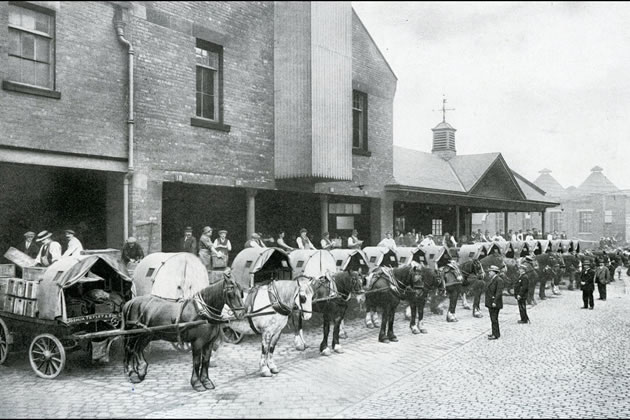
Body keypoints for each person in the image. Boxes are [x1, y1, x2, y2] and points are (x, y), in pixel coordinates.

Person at [485, 265, 503, 340]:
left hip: (494, 302)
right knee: (493, 319)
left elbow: (499, 292)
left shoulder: (499, 280)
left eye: (490, 271)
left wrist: (495, 301)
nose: (489, 272)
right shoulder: (492, 279)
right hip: (491, 302)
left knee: (494, 319)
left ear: (494, 272)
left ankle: (495, 335)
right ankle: (495, 333)